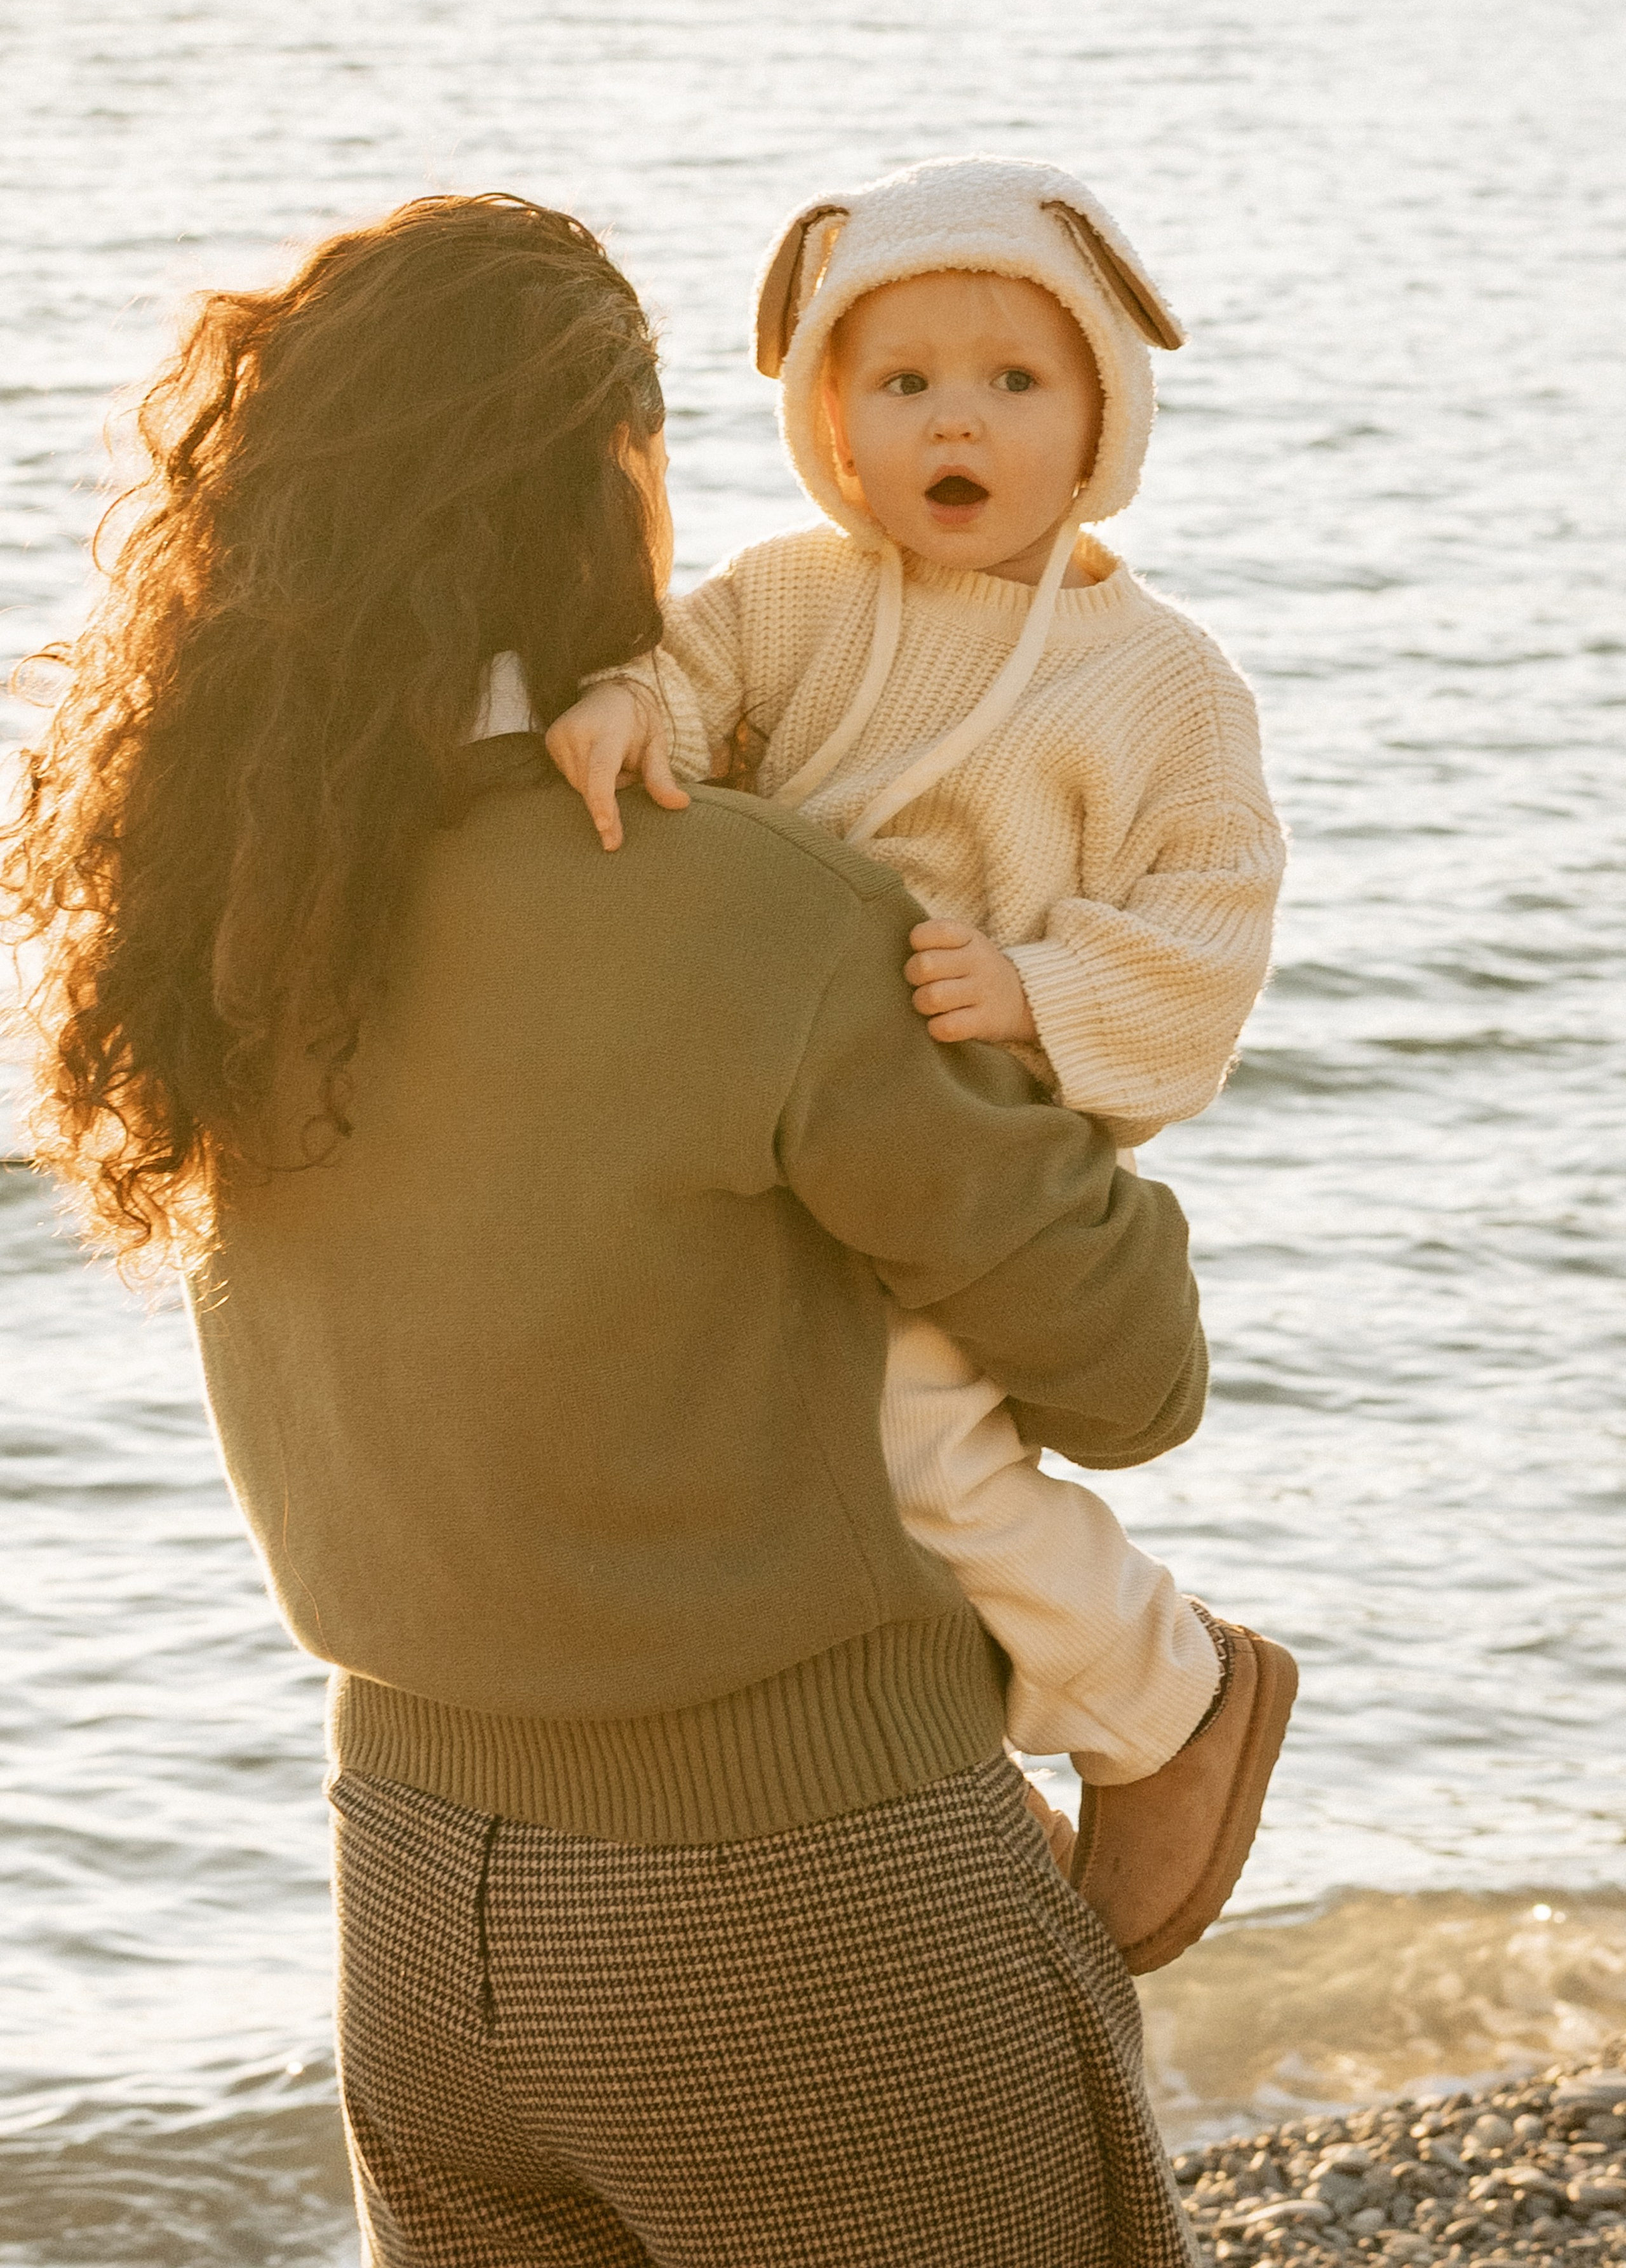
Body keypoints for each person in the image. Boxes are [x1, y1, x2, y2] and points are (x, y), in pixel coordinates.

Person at [1, 189, 1246, 2265]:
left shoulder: (239, 909)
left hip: (413, 1915)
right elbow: (1134, 1374)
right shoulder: (760, 910)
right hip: (806, 1909)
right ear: (609, 480)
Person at [544, 155, 1290, 1793]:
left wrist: (1040, 990)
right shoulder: (796, 595)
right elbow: (690, 672)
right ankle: (939, 1765)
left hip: (974, 1135)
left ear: (1102, 418)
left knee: (927, 1455)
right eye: (903, 385)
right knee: (769, 1466)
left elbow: (1214, 914)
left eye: (1016, 382)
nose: (958, 422)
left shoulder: (1162, 685)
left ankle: (1167, 1700)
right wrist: (628, 704)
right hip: (768, 1122)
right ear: (831, 417)